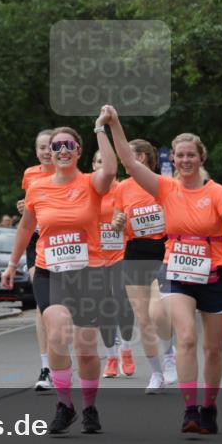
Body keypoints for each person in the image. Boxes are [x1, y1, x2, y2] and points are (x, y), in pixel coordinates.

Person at [104, 108, 222, 434]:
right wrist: (114, 123)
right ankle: (191, 410)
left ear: (201, 157)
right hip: (177, 271)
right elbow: (129, 162)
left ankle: (209, 406)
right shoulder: (166, 188)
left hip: (214, 273)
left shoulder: (216, 192)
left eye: (191, 155)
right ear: (172, 158)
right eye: (180, 155)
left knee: (213, 350)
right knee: (186, 337)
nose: (185, 160)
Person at [2, 111, 117, 434]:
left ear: (78, 151)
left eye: (69, 145)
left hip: (88, 272)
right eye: (56, 146)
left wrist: (100, 128)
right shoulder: (37, 188)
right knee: (56, 332)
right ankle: (65, 404)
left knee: (86, 348)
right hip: (49, 271)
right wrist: (12, 264)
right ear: (49, 153)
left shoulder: (91, 183)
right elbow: (26, 227)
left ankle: (90, 407)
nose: (62, 150)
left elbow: (110, 169)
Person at [114, 139, 178, 392]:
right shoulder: (122, 187)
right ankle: (156, 373)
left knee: (158, 312)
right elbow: (116, 221)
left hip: (162, 249)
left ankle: (169, 355)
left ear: (141, 157)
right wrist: (118, 223)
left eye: (127, 155)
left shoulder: (164, 183)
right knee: (142, 318)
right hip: (135, 251)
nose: (122, 160)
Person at [91, 149, 135, 379]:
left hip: (121, 254)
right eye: (99, 161)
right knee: (103, 309)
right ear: (93, 165)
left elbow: (137, 219)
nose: (102, 165)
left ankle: (126, 349)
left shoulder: (123, 189)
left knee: (122, 302)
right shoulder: (86, 190)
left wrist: (124, 221)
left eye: (106, 161)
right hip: (95, 257)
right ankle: (111, 357)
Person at [18, 130, 56, 391]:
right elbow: (28, 210)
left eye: (50, 147)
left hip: (63, 244)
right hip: (37, 242)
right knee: (43, 305)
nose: (46, 152)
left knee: (61, 308)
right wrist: (23, 209)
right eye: (41, 147)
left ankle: (61, 357)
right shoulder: (30, 175)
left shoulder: (71, 175)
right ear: (36, 151)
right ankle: (46, 367)